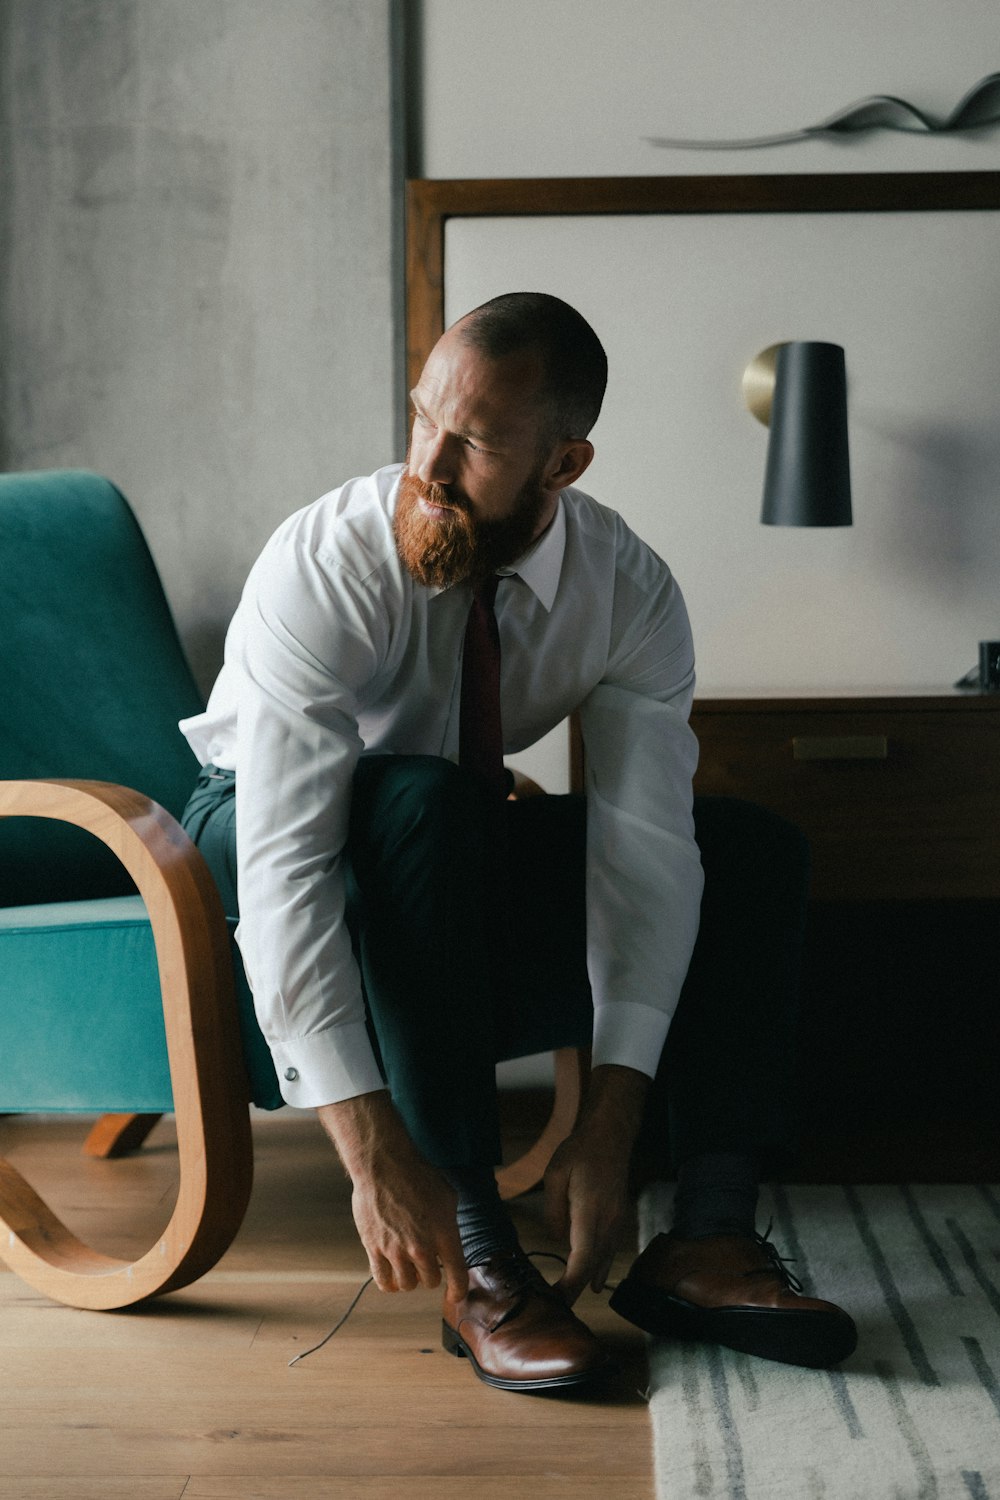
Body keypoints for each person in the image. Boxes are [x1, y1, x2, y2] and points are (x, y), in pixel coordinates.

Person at [179, 292, 856, 1393]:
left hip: (444, 837)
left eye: (476, 444)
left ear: (563, 464)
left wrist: (609, 1119)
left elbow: (645, 852)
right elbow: (288, 864)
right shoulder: (329, 561)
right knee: (420, 803)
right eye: (421, 422)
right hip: (244, 824)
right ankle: (481, 1258)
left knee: (743, 847)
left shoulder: (627, 592)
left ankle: (706, 1236)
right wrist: (368, 1152)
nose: (428, 467)